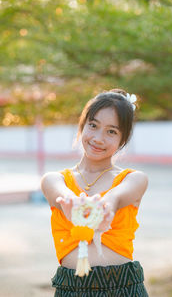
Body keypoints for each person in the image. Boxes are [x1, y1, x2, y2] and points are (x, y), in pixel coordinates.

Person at [41, 88, 149, 296]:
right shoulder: (55, 179)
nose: (98, 138)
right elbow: (64, 196)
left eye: (111, 131)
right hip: (71, 289)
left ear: (122, 139)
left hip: (123, 288)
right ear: (82, 126)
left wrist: (105, 207)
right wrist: (74, 204)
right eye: (93, 125)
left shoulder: (133, 179)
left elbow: (115, 197)